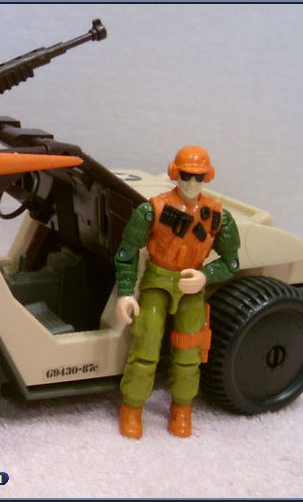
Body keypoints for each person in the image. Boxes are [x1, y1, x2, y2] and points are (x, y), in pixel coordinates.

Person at [114, 145, 240, 438]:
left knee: (188, 354)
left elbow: (231, 262)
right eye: (186, 175)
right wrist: (126, 292)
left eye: (198, 177)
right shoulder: (152, 210)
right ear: (175, 173)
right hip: (157, 282)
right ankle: (132, 407)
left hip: (191, 287)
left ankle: (182, 408)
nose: (191, 183)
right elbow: (127, 252)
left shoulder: (218, 215)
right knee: (145, 348)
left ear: (208, 177)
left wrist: (205, 276)